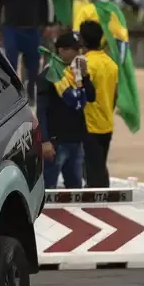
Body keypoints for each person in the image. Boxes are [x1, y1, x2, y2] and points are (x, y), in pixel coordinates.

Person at [36, 32, 94, 190]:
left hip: (75, 139)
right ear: (60, 50)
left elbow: (91, 97)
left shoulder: (76, 74)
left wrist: (85, 76)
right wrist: (45, 140)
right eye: (72, 49)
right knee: (48, 187)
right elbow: (41, 110)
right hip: (56, 141)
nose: (76, 53)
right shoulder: (49, 75)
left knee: (75, 188)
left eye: (78, 49)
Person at [80, 20, 118, 189]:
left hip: (89, 125)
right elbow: (115, 94)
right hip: (107, 123)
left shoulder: (84, 64)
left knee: (93, 172)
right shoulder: (111, 64)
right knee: (100, 167)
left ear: (82, 40)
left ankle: (99, 208)